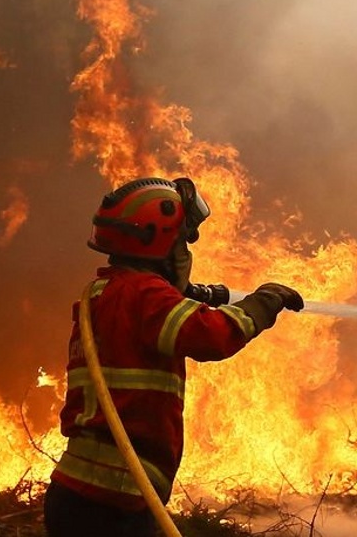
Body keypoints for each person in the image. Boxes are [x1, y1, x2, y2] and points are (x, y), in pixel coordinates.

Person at [43, 176, 304, 537]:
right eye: (182, 241)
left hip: (79, 496)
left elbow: (159, 318)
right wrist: (262, 304)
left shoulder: (104, 293)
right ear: (163, 244)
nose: (185, 252)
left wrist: (195, 294)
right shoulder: (144, 294)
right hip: (116, 502)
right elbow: (210, 337)